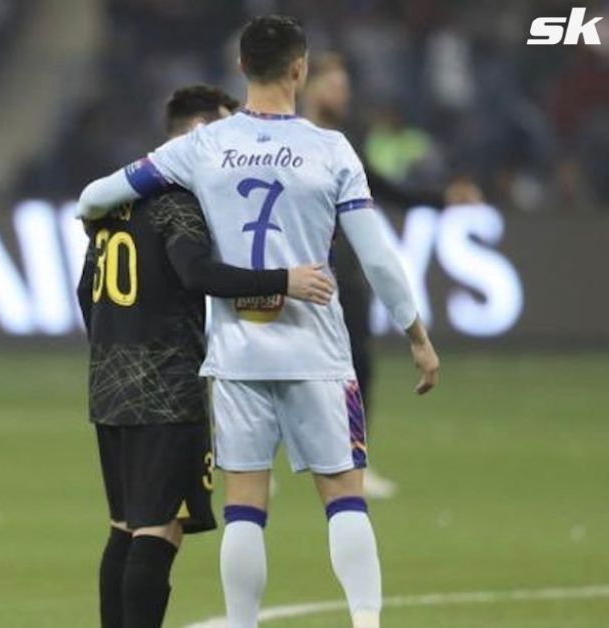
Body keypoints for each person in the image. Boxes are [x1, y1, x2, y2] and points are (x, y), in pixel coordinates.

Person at [76, 16, 440, 628]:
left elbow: (96, 195)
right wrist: (417, 336)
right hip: (318, 353)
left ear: (241, 68)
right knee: (344, 497)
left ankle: (241, 624)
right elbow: (376, 254)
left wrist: (95, 218)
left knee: (246, 508)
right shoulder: (331, 150)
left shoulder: (200, 147)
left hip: (237, 356)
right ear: (300, 69)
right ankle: (367, 623)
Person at [80, 85, 336, 628]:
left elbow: (87, 292)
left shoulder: (114, 202)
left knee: (123, 526)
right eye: (224, 130)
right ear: (199, 133)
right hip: (167, 390)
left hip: (108, 386)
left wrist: (112, 348)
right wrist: (283, 280)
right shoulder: (179, 200)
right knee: (157, 531)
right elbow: (196, 272)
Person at [303, 53, 480, 499]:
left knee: (355, 361)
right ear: (309, 85)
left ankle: (351, 458)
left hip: (337, 261)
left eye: (346, 86)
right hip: (304, 264)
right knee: (295, 362)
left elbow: (382, 187)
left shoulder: (343, 140)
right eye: (335, 86)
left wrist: (442, 198)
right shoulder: (295, 137)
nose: (343, 95)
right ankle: (281, 462)